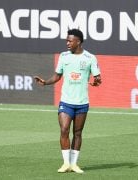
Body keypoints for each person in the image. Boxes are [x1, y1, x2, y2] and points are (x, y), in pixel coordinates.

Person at [34, 29, 102, 173]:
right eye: (67, 40)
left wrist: (97, 81)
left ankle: (74, 164)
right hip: (66, 101)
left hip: (82, 102)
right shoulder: (63, 56)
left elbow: (97, 78)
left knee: (77, 133)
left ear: (78, 42)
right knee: (64, 130)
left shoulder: (90, 57)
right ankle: (66, 163)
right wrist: (45, 82)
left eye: (70, 41)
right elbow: (57, 76)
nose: (67, 43)